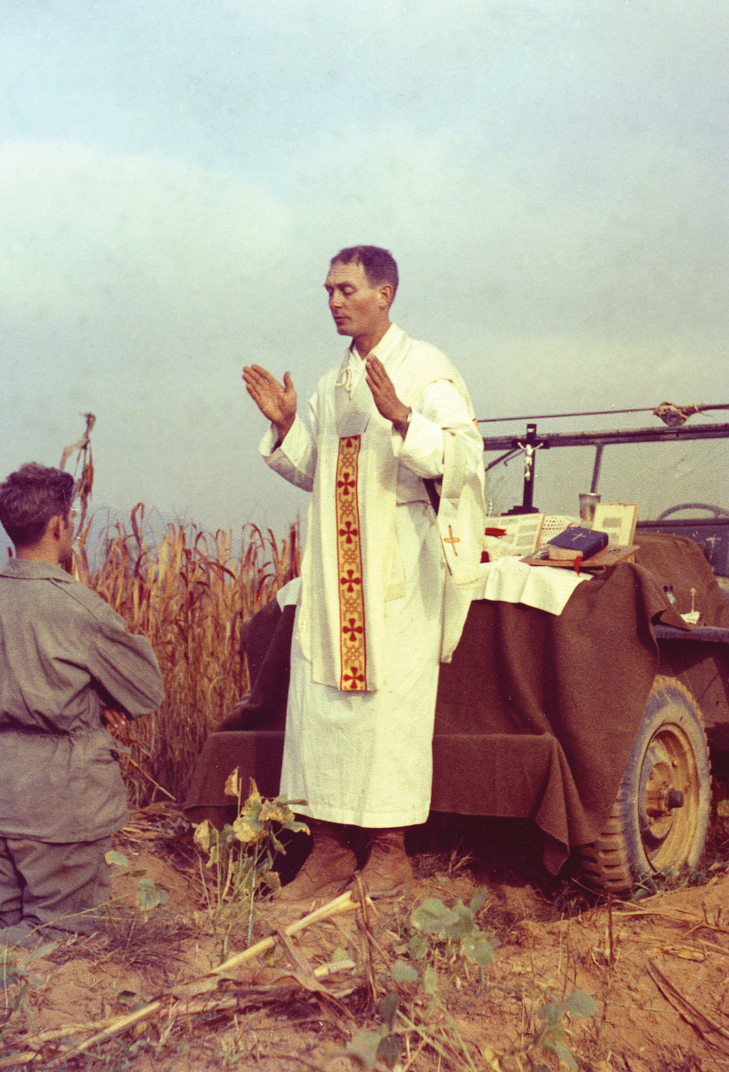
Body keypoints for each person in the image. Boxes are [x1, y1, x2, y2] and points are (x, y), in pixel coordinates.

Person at [242, 245, 485, 900]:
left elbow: (465, 458)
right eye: (328, 290)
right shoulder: (332, 385)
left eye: (347, 289)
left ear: (385, 293)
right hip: (333, 573)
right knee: (322, 708)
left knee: (387, 714)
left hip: (395, 572)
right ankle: (326, 851)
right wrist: (288, 425)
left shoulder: (426, 370)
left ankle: (389, 852)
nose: (334, 301)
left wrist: (405, 418)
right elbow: (314, 471)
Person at [0, 463, 165, 945]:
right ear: (59, 524)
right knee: (62, 938)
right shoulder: (75, 606)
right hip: (60, 803)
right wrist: (95, 698)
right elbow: (146, 689)